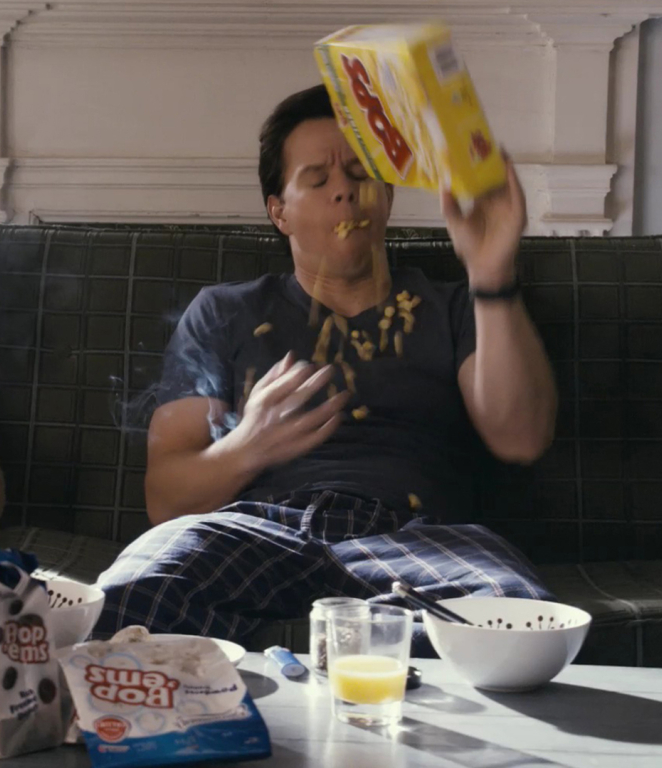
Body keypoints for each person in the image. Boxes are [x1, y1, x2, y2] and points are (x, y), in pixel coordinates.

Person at [92, 84, 559, 651]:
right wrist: (249, 446)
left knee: (518, 628)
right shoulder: (224, 311)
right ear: (279, 212)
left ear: (386, 194)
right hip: (256, 529)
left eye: (361, 173)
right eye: (317, 179)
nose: (344, 190)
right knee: (119, 600)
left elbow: (521, 437)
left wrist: (491, 272)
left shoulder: (457, 305)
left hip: (416, 538)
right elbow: (165, 501)